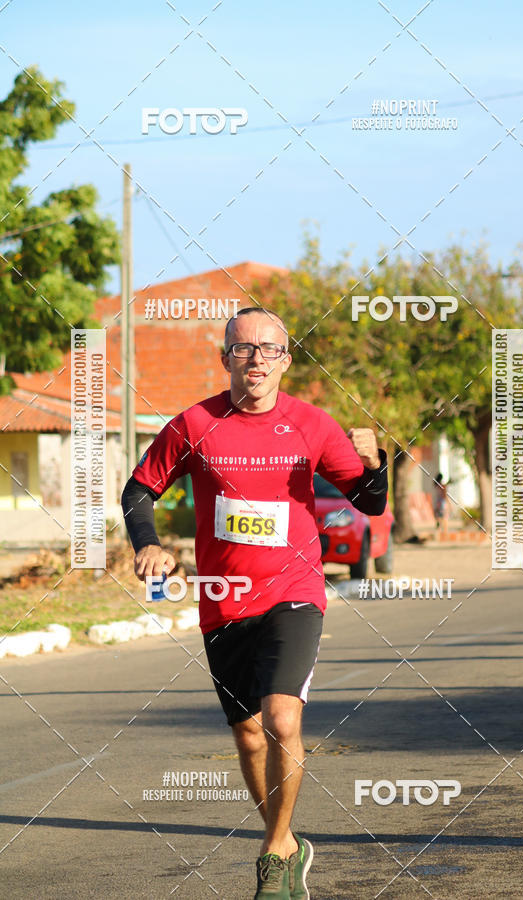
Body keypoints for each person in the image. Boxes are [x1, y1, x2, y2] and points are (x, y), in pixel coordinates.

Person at [121, 306, 388, 899]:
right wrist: (151, 545)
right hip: (222, 600)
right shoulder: (194, 423)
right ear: (225, 358)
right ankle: (287, 841)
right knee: (246, 736)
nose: (257, 358)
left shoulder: (313, 425)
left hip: (294, 594)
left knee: (281, 719)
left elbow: (368, 503)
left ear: (286, 360)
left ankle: (272, 851)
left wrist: (376, 463)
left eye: (269, 348)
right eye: (244, 348)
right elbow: (139, 490)